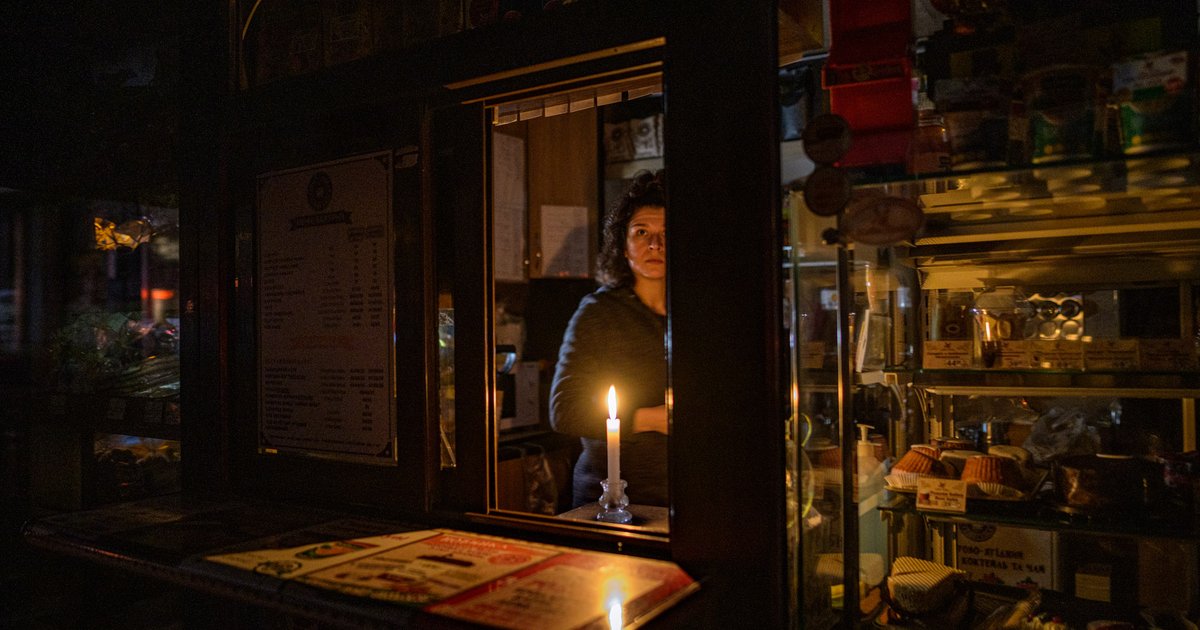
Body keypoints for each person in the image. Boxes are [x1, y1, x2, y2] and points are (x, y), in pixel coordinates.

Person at [550, 170, 669, 508]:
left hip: (683, 497)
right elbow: (565, 410)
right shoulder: (598, 313)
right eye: (641, 232)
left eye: (666, 233)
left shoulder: (700, 312)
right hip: (610, 499)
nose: (655, 244)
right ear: (623, 246)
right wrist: (651, 418)